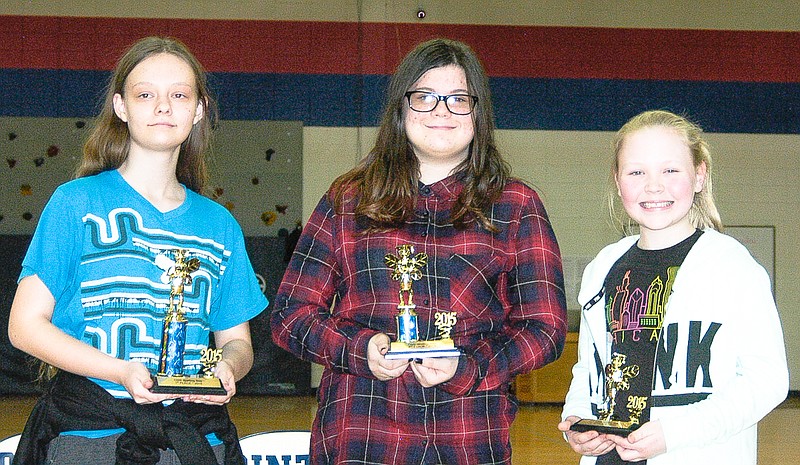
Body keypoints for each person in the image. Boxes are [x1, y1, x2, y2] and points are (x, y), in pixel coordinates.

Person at [271, 38, 567, 465]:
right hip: (362, 436)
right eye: (425, 97)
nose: (442, 111)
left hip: (469, 439)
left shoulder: (516, 205)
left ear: (478, 113)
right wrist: (360, 348)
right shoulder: (348, 200)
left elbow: (545, 329)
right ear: (400, 109)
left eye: (458, 98)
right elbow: (289, 315)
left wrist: (468, 367)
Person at [8, 36, 268, 464]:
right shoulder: (76, 202)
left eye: (179, 95)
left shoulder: (219, 225)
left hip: (194, 437)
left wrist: (228, 368)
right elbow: (24, 326)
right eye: (146, 94)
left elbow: (237, 341)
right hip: (89, 438)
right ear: (121, 107)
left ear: (199, 109)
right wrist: (119, 371)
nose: (163, 107)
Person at [558, 110, 789, 464]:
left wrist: (675, 432)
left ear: (699, 176)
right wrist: (578, 417)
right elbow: (590, 369)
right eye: (637, 172)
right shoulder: (602, 268)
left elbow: (767, 380)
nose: (653, 185)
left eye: (670, 170)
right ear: (618, 182)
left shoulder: (731, 265)